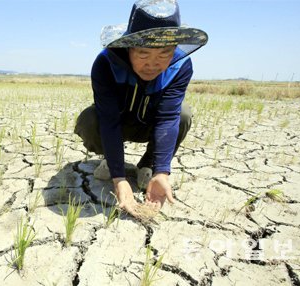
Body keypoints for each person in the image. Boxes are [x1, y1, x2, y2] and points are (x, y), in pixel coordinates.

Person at [74, 0, 208, 217]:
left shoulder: (180, 67)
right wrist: (119, 178)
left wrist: (161, 171)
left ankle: (146, 166)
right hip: (118, 123)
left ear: (174, 49)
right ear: (128, 47)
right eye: (143, 54)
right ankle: (110, 160)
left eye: (164, 54)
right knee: (90, 119)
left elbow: (168, 118)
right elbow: (109, 120)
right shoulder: (106, 64)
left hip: (151, 125)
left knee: (183, 114)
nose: (153, 64)